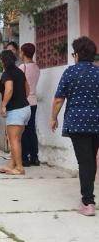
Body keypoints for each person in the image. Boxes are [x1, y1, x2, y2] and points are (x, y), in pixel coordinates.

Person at [50, 37, 99, 217]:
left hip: (78, 123)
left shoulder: (71, 72)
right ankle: (88, 196)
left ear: (77, 54)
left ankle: (88, 202)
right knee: (91, 159)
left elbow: (58, 99)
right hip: (97, 122)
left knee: (85, 161)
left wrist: (53, 118)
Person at [0, 49, 31, 175]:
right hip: (25, 108)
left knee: (13, 140)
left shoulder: (7, 73)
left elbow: (9, 89)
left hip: (16, 110)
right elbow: (28, 89)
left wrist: (3, 105)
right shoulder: (19, 71)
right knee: (16, 139)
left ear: (3, 60)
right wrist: (22, 100)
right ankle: (12, 164)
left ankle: (19, 168)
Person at [19, 42, 41, 166]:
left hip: (24, 101)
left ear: (23, 52)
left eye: (21, 51)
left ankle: (25, 158)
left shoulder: (23, 67)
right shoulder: (36, 67)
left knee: (23, 130)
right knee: (31, 130)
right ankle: (35, 157)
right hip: (34, 101)